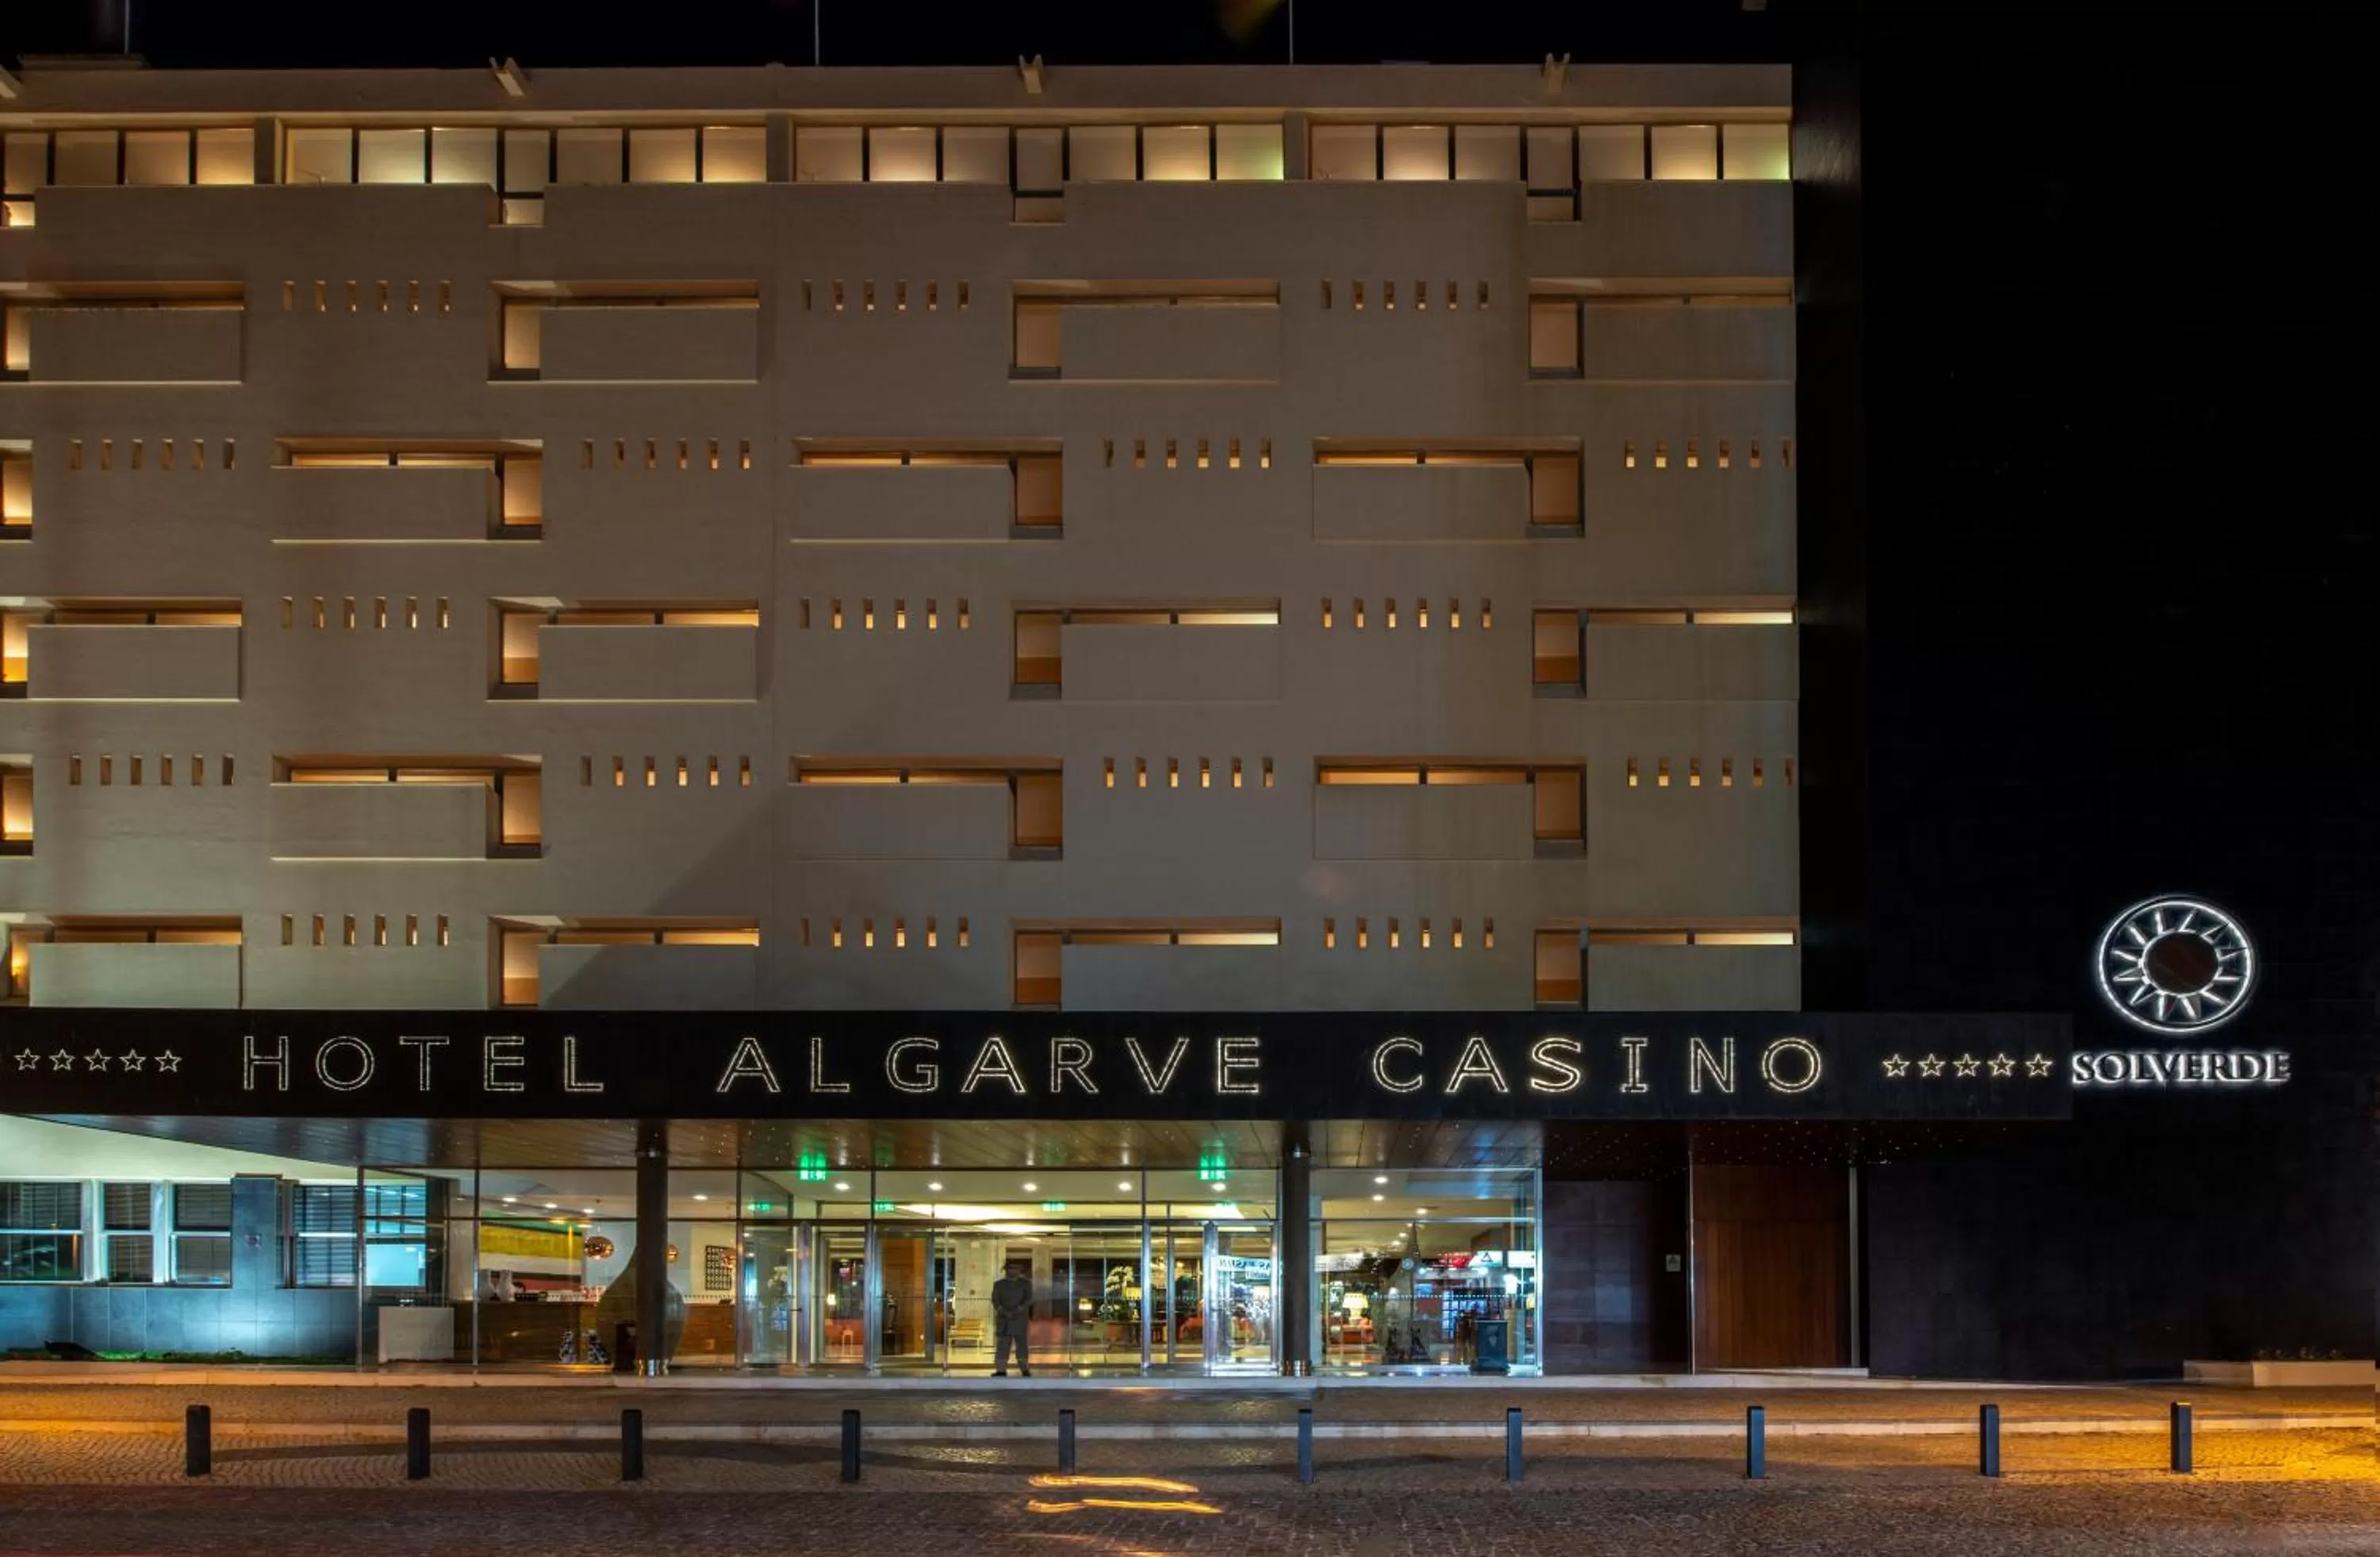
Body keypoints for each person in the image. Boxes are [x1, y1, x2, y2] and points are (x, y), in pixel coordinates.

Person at [991, 1259, 1034, 1377]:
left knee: (1022, 1344)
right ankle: (1001, 1370)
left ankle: (1024, 1369)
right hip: (1004, 1319)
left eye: (1016, 1268)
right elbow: (995, 1300)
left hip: (1020, 1318)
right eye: (1011, 1268)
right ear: (1006, 1270)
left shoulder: (1025, 1284)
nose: (1013, 1271)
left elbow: (1028, 1299)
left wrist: (1018, 1310)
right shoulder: (999, 1284)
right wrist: (1003, 1311)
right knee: (1003, 1344)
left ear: (1020, 1270)